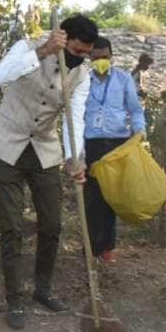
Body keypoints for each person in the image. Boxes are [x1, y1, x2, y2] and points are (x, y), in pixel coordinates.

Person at [0, 14, 98, 329]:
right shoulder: (27, 47)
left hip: (44, 152)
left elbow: (73, 118)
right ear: (62, 38)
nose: (80, 59)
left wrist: (76, 158)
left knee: (52, 225)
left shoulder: (83, 76)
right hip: (7, 147)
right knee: (12, 228)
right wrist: (44, 51)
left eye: (86, 54)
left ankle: (42, 290)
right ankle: (15, 299)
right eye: (75, 51)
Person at [64, 37, 145, 263]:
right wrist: (76, 151)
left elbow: (135, 110)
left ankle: (107, 247)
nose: (101, 61)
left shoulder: (123, 79)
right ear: (90, 58)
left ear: (112, 56)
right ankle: (90, 247)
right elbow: (75, 116)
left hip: (118, 145)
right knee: (92, 197)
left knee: (112, 196)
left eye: (105, 57)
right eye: (96, 58)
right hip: (92, 144)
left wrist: (139, 131)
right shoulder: (82, 81)